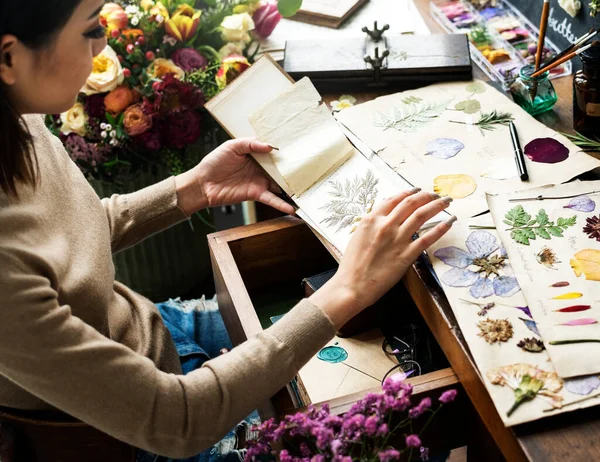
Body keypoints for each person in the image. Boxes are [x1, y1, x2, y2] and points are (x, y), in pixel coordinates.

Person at [0, 0, 456, 460]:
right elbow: (178, 421)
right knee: (407, 436)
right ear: (9, 58)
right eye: (90, 28)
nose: (104, 43)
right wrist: (349, 288)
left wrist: (192, 187)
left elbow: (72, 234)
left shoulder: (19, 117)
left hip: (151, 330)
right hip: (144, 434)